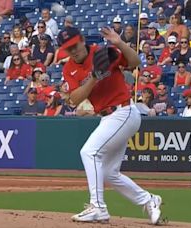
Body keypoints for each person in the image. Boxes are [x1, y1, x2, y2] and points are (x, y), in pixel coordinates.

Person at [58, 26, 163, 224]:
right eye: (67, 48)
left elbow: (135, 62)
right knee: (108, 172)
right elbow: (75, 99)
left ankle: (98, 207)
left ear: (81, 39)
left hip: (123, 110)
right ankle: (149, 200)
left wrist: (119, 43)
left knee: (89, 152)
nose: (72, 50)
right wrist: (95, 78)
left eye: (74, 45)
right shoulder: (68, 68)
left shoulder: (102, 52)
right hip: (108, 117)